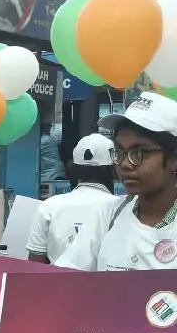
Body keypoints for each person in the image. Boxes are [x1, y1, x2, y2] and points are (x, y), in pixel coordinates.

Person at [56, 93, 177, 272]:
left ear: (174, 159)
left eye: (140, 153)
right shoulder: (107, 216)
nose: (126, 164)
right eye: (120, 152)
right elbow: (66, 276)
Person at [27, 133, 118, 264]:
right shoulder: (121, 209)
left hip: (58, 284)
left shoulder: (49, 207)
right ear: (114, 171)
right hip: (107, 284)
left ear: (73, 169)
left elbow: (35, 264)